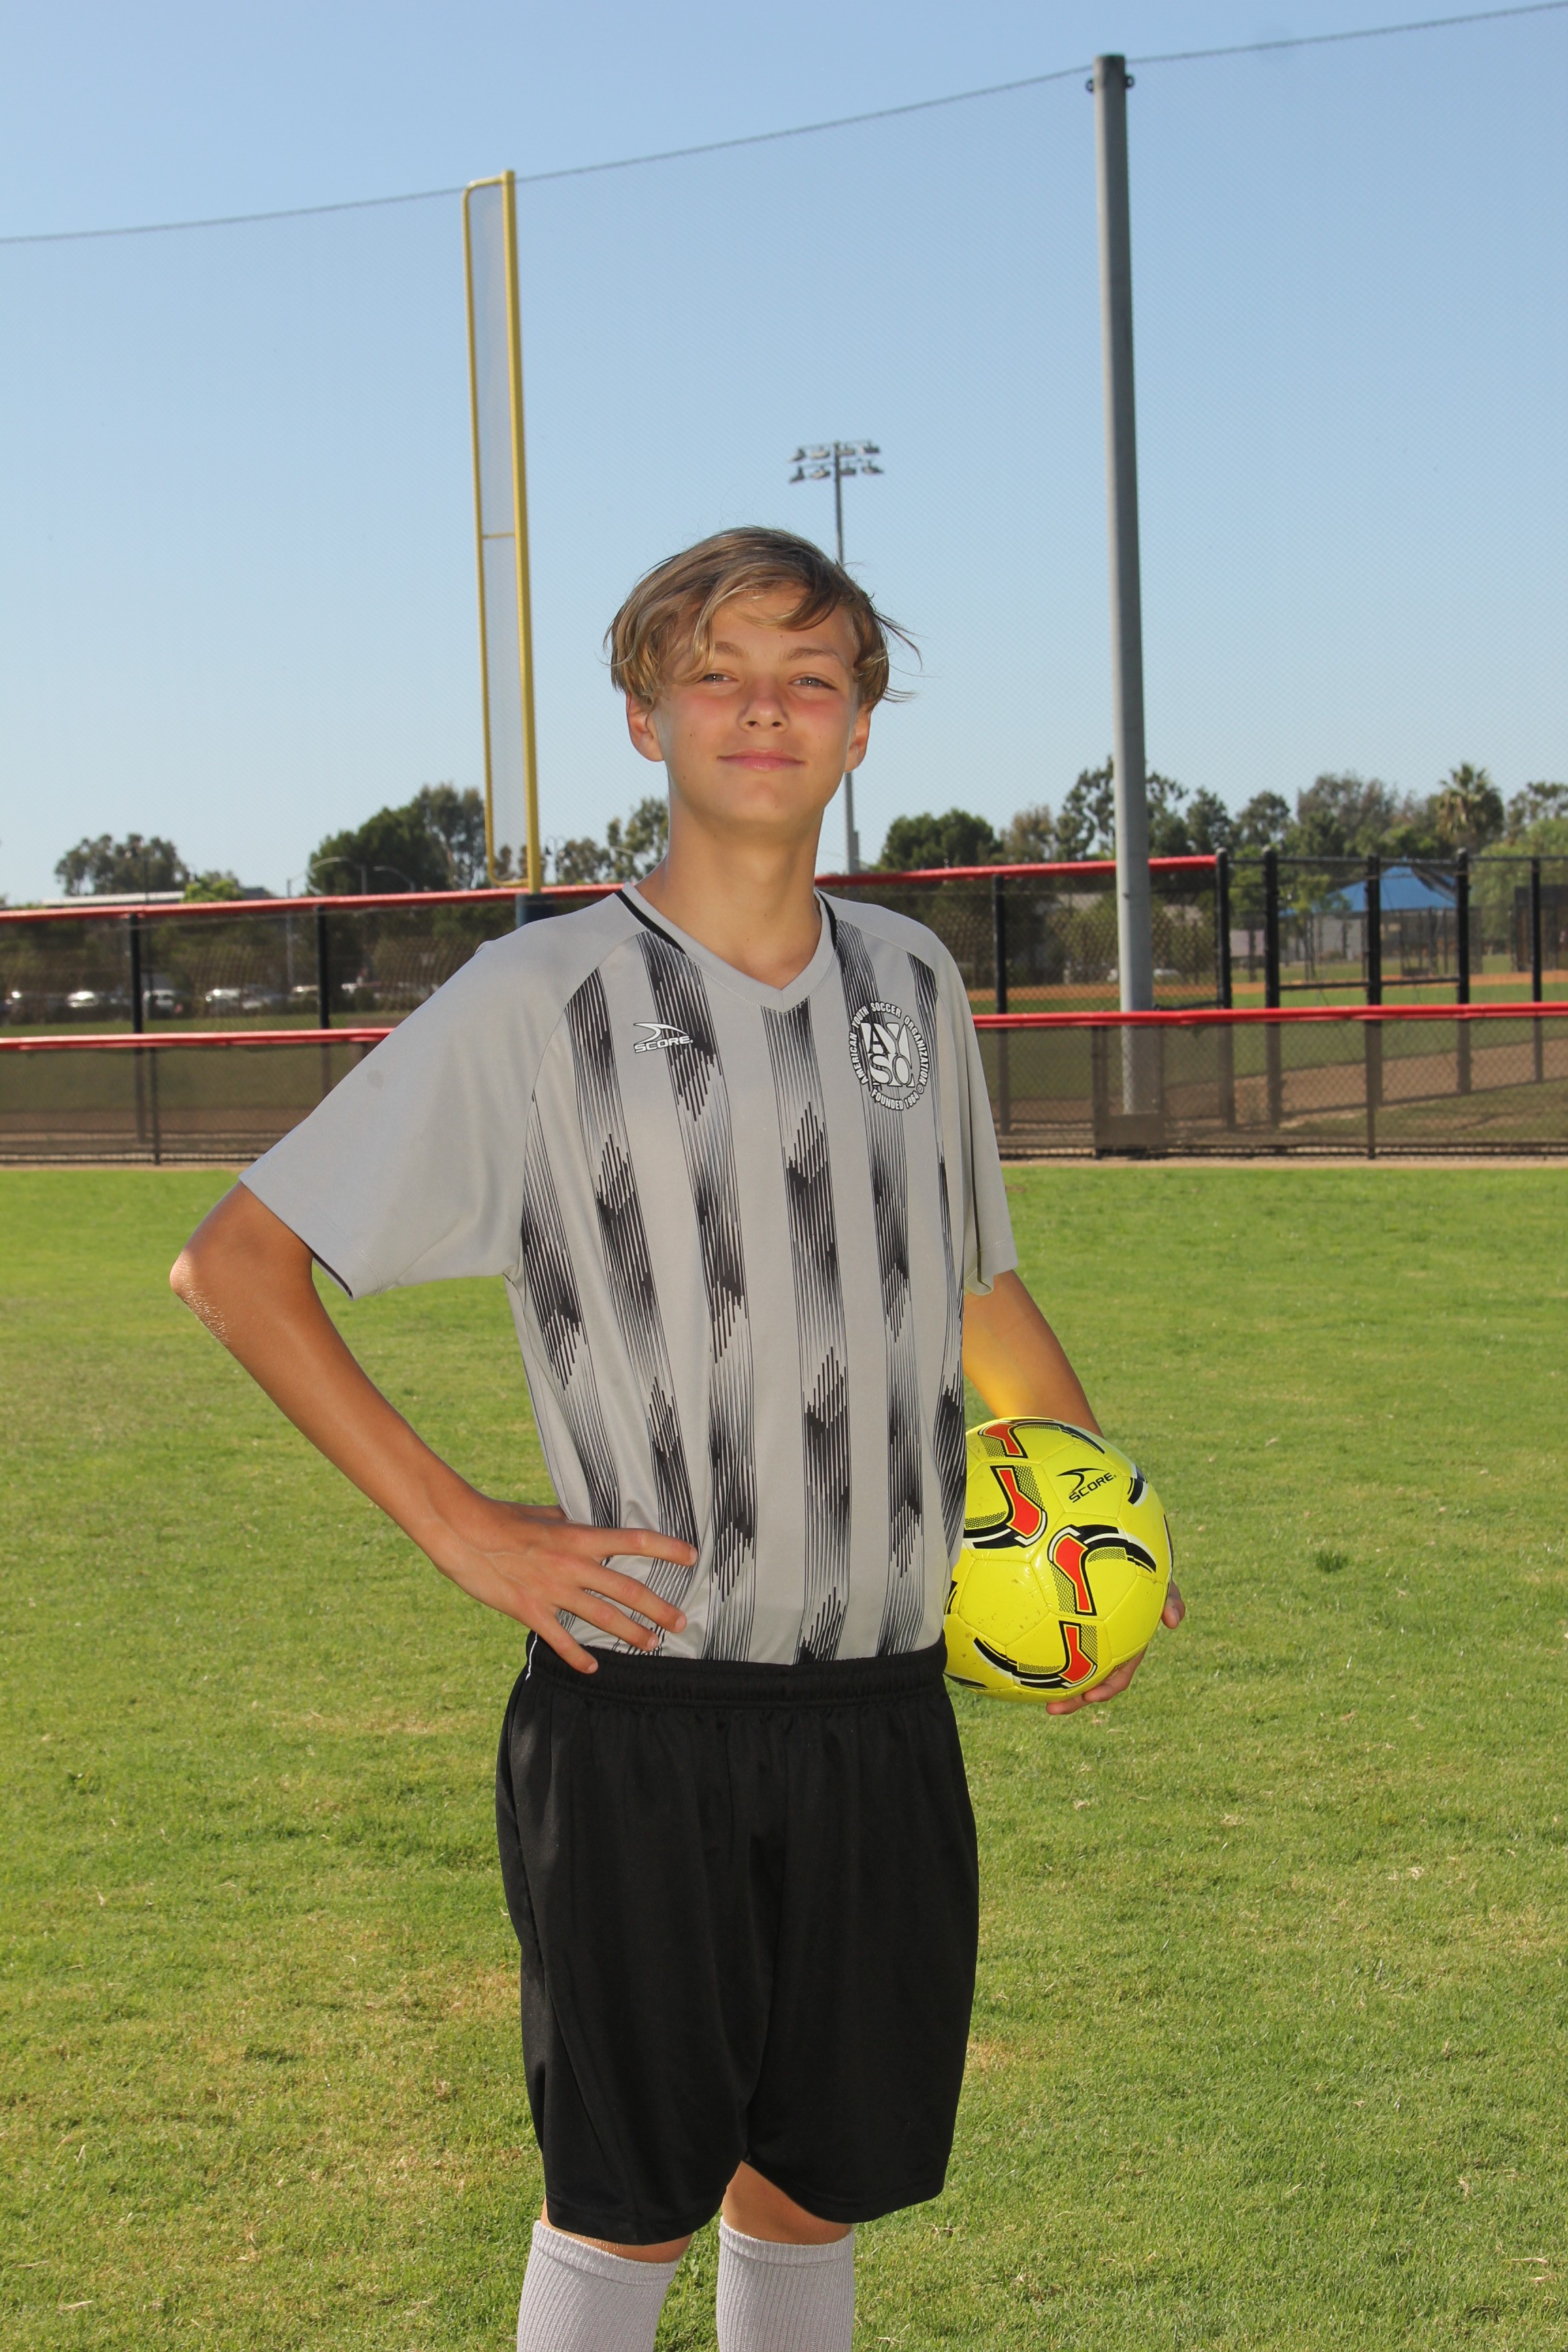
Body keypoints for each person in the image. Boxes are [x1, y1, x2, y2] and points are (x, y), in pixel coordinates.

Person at [171, 526, 1183, 2352]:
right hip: (646, 1702)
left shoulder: (914, 988)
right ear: (646, 717)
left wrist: (1092, 1539)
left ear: (862, 723)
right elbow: (235, 1265)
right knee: (625, 2205)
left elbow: (976, 1290)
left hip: (882, 1705)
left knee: (816, 2185)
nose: (764, 710)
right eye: (718, 674)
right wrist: (468, 1530)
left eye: (810, 677)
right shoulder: (537, 998)